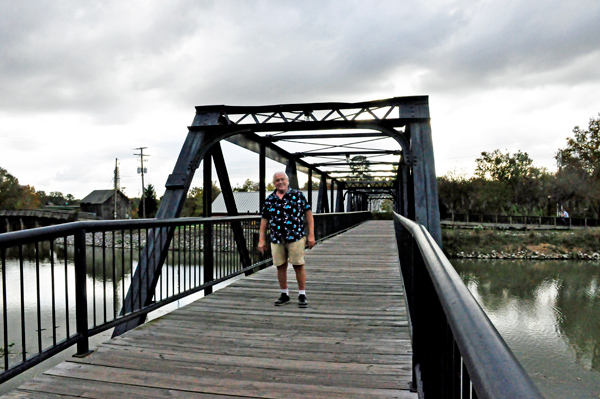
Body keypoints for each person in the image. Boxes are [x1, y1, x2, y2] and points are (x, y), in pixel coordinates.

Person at [258, 172, 315, 308]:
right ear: (274, 183)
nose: (280, 182)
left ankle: (302, 294)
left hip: (295, 236)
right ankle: (284, 294)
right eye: (277, 180)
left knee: (298, 265)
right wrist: (261, 239)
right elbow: (264, 219)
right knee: (280, 266)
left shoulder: (298, 195)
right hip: (277, 237)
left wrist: (311, 234)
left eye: (282, 179)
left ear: (288, 181)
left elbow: (308, 214)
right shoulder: (270, 199)